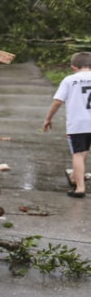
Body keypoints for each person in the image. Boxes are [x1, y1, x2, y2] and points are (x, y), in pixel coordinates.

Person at [42, 51, 91, 198]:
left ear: (74, 67)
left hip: (78, 123)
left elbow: (58, 101)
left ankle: (80, 188)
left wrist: (48, 118)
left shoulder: (70, 80)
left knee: (78, 154)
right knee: (84, 153)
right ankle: (74, 178)